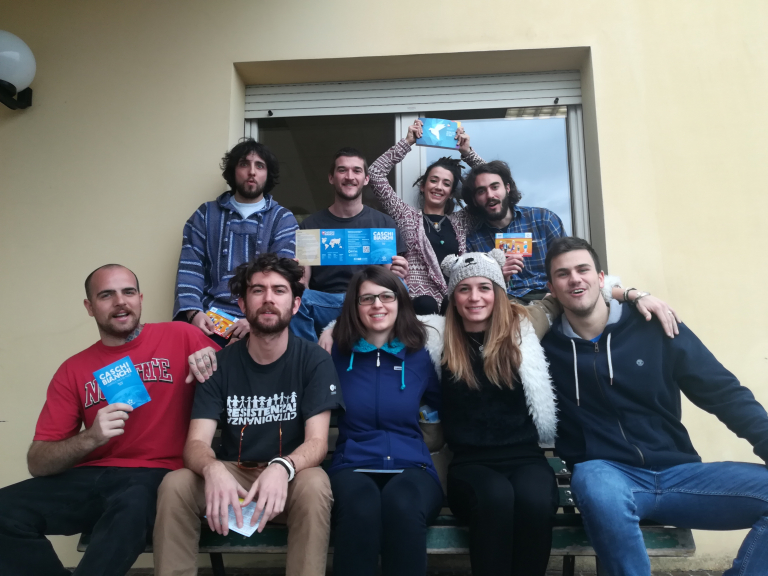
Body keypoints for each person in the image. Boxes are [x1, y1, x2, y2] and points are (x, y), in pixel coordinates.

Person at [540, 236, 768, 576]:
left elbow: (724, 393)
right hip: (608, 476)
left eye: (583, 269)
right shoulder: (544, 350)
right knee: (594, 479)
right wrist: (632, 292)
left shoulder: (655, 325)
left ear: (601, 279)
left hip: (680, 475)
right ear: (551, 288)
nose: (575, 279)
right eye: (563, 274)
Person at [0, 264, 218, 576]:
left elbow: (240, 377)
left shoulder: (181, 335)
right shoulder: (73, 369)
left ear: (140, 298)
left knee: (130, 506)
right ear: (89, 307)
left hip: (158, 475)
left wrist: (213, 359)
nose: (120, 302)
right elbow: (38, 462)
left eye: (128, 292)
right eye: (106, 295)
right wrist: (91, 437)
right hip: (93, 476)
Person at [154, 253, 344, 576]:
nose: (269, 298)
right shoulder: (219, 364)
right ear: (242, 304)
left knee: (316, 484)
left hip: (290, 479)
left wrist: (283, 467)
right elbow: (196, 443)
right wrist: (212, 468)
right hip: (234, 476)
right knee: (175, 485)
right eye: (258, 290)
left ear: (295, 305)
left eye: (279, 290)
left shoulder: (314, 361)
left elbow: (317, 443)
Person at [438, 250, 559, 576]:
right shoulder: (437, 339)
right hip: (469, 466)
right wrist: (330, 331)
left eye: (484, 287)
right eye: (464, 289)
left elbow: (563, 297)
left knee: (535, 500)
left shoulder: (522, 330)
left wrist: (633, 294)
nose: (474, 297)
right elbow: (381, 319)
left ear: (498, 292)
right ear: (453, 298)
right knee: (495, 497)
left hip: (526, 458)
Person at [326, 266, 443, 576]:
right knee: (360, 507)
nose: (377, 304)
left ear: (400, 302)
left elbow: (446, 404)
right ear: (355, 306)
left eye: (386, 296)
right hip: (352, 465)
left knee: (402, 503)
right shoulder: (335, 355)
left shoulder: (421, 355)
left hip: (413, 466)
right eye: (366, 298)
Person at [173, 138, 299, 346]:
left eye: (260, 166)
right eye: (244, 164)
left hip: (260, 321)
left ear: (268, 174)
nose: (252, 172)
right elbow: (190, 267)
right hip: (207, 320)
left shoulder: (282, 219)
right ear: (233, 170)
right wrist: (193, 313)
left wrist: (255, 321)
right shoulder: (205, 215)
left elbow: (283, 278)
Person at [290, 147, 409, 342]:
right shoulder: (311, 225)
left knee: (401, 286)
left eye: (357, 170)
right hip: (326, 303)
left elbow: (390, 277)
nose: (349, 176)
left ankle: (388, 350)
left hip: (368, 300)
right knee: (294, 295)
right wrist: (297, 278)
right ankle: (310, 354)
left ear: (366, 179)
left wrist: (398, 272)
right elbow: (305, 283)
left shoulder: (383, 223)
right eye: (342, 170)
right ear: (331, 177)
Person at [367, 119, 484, 315]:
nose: (439, 187)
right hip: (417, 307)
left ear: (451, 192)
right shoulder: (406, 215)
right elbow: (375, 174)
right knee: (426, 304)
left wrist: (467, 152)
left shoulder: (461, 221)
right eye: (434, 180)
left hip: (455, 306)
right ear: (423, 186)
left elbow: (491, 183)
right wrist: (407, 142)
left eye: (446, 184)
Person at [463, 160, 567, 302]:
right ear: (474, 200)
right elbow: (475, 289)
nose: (490, 195)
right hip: (505, 303)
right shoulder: (473, 241)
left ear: (507, 188)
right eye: (481, 191)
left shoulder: (543, 220)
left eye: (495, 187)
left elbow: (568, 264)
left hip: (550, 298)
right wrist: (497, 275)